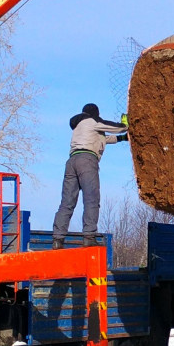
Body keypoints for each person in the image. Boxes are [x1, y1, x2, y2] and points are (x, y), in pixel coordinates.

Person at [52, 103, 127, 248]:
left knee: (67, 202)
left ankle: (57, 239)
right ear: (95, 113)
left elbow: (103, 139)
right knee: (91, 199)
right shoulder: (93, 121)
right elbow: (117, 127)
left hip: (71, 162)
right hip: (87, 161)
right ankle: (89, 237)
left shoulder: (80, 126)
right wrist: (124, 124)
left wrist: (123, 138)